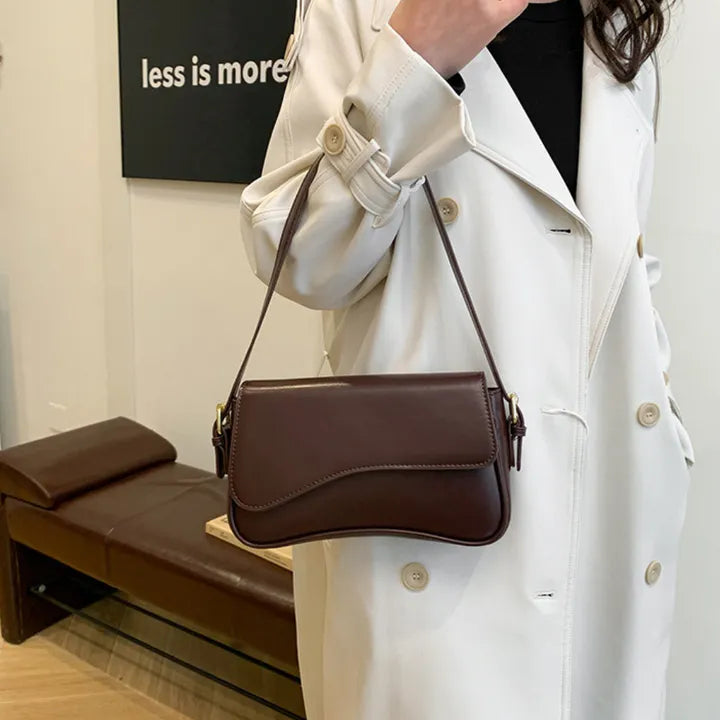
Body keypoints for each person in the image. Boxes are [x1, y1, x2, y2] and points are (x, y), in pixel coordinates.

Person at [239, 0, 696, 717]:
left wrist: (663, 411)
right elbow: (297, 260)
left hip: (613, 496)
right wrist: (413, 64)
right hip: (435, 520)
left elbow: (621, 252)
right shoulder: (360, 9)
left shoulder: (619, 21)